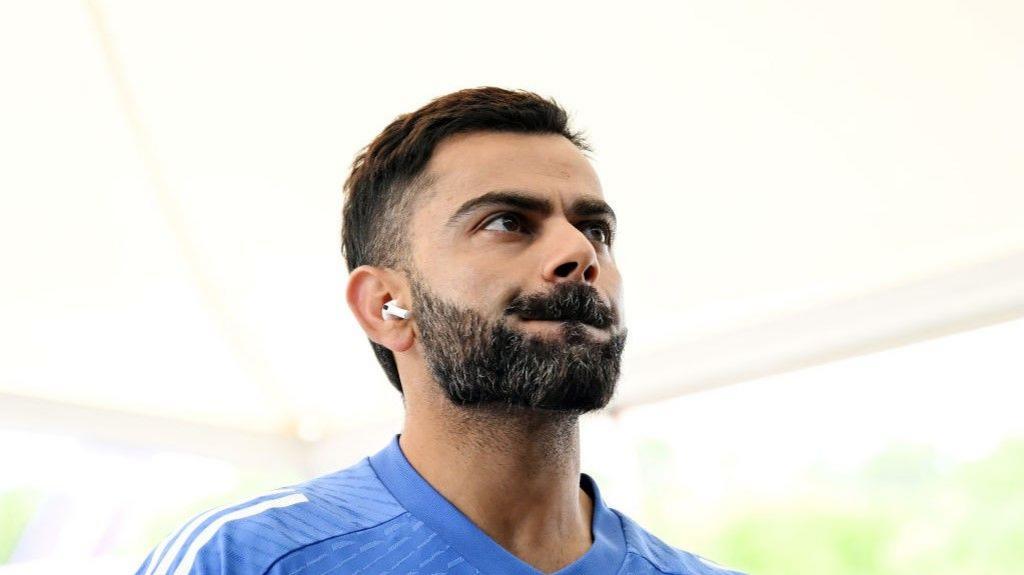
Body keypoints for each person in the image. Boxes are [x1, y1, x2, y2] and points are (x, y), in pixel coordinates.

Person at [135, 87, 744, 575]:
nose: (579, 252)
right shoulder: (243, 558)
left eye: (596, 229)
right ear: (385, 306)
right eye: (508, 222)